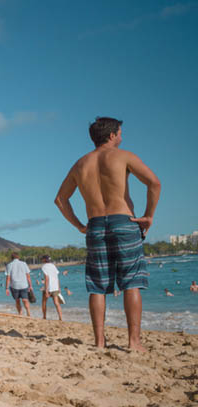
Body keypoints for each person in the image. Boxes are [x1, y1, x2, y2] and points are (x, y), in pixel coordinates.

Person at [55, 117, 161, 352]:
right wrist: (148, 215)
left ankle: (99, 342)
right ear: (112, 135)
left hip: (95, 224)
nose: (122, 137)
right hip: (123, 221)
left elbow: (60, 200)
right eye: (120, 133)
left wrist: (79, 225)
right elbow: (154, 183)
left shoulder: (80, 164)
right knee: (131, 282)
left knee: (97, 285)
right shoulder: (123, 156)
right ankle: (134, 343)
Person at [5, 252, 32, 316]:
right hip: (24, 285)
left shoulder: (9, 265)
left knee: (17, 301)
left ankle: (20, 313)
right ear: (18, 257)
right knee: (25, 300)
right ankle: (28, 313)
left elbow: (8, 278)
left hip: (14, 286)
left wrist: (6, 288)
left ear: (11, 258)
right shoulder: (24, 264)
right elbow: (28, 276)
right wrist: (30, 285)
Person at [40, 255, 63, 320]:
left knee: (44, 302)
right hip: (55, 287)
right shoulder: (53, 266)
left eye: (42, 259)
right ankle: (60, 317)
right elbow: (57, 277)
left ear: (44, 260)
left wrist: (46, 290)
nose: (41, 260)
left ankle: (44, 317)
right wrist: (59, 288)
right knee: (56, 303)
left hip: (49, 287)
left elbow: (46, 278)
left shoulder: (44, 267)